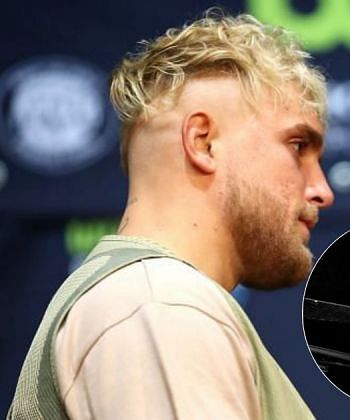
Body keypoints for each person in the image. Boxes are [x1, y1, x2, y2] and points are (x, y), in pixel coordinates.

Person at [8, 10, 333, 420]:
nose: (322, 190)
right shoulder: (161, 303)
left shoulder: (152, 300)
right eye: (298, 146)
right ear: (204, 143)